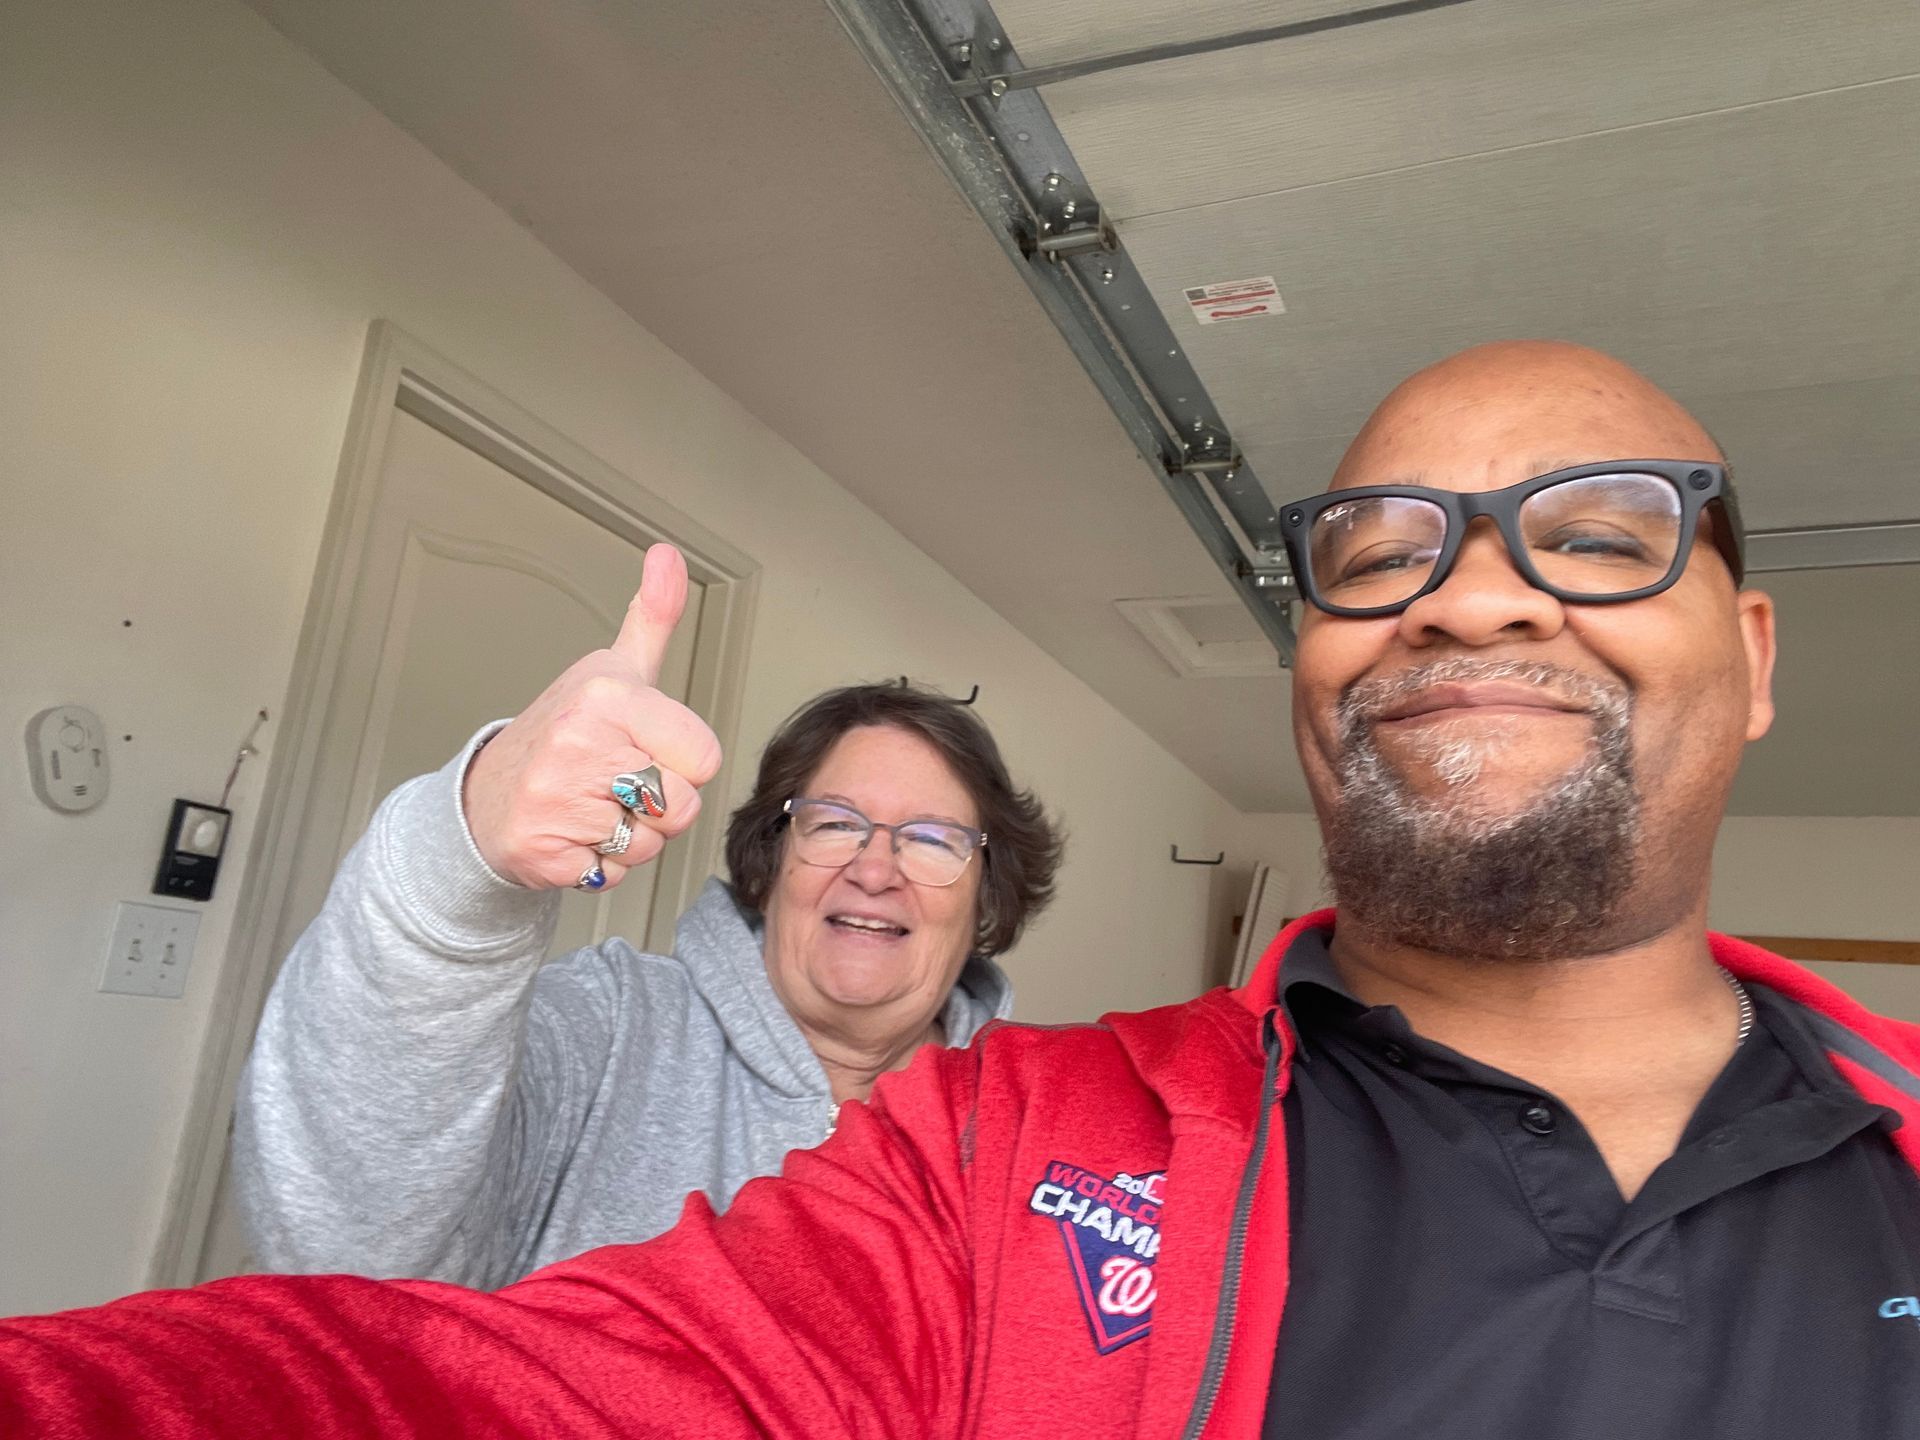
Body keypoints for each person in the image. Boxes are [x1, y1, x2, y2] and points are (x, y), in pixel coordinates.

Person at [6, 341, 1919, 1439]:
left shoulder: (983, 1087)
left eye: (1600, 536)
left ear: (1755, 656)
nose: (1471, 595)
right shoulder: (1005, 1149)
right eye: (1376, 552)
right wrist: (461, 867)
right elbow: (420, 1348)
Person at [233, 542, 1062, 1284]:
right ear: (772, 860)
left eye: (932, 839)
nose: (874, 869)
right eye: (835, 824)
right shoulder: (612, 1025)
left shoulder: (1037, 1137)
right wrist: (458, 862)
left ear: (987, 892)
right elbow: (343, 1251)